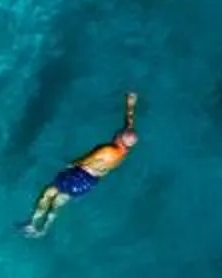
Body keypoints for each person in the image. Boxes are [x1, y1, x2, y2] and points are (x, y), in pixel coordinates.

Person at [26, 92, 138, 235]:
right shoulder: (125, 150)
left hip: (80, 175)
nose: (116, 134)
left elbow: (86, 160)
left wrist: (71, 164)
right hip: (91, 182)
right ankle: (44, 230)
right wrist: (130, 104)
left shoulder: (108, 150)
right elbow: (129, 122)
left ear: (119, 139)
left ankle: (33, 223)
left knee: (48, 194)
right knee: (59, 203)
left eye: (118, 134)